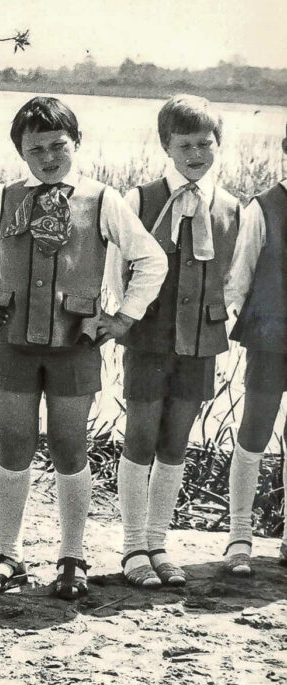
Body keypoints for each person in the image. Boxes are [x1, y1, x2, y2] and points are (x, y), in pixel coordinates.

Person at [0, 96, 167, 599]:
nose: (48, 158)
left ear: (77, 143)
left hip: (75, 343)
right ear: (21, 152)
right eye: (36, 149)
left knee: (70, 447)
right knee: (14, 444)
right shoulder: (3, 198)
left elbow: (151, 259)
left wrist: (124, 317)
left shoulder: (102, 199)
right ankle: (8, 555)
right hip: (14, 344)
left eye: (57, 146)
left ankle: (72, 556)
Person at [110, 95, 240, 588]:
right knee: (141, 435)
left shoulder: (230, 207)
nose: (196, 154)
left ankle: (158, 542)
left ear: (217, 144)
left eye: (205, 144)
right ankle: (132, 547)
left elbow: (234, 277)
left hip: (200, 341)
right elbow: (117, 272)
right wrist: (127, 317)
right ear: (166, 146)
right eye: (185, 145)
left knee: (175, 442)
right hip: (149, 337)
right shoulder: (139, 200)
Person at [223, 120, 287, 574]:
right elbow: (238, 278)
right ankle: (239, 536)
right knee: (254, 431)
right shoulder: (263, 207)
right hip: (270, 337)